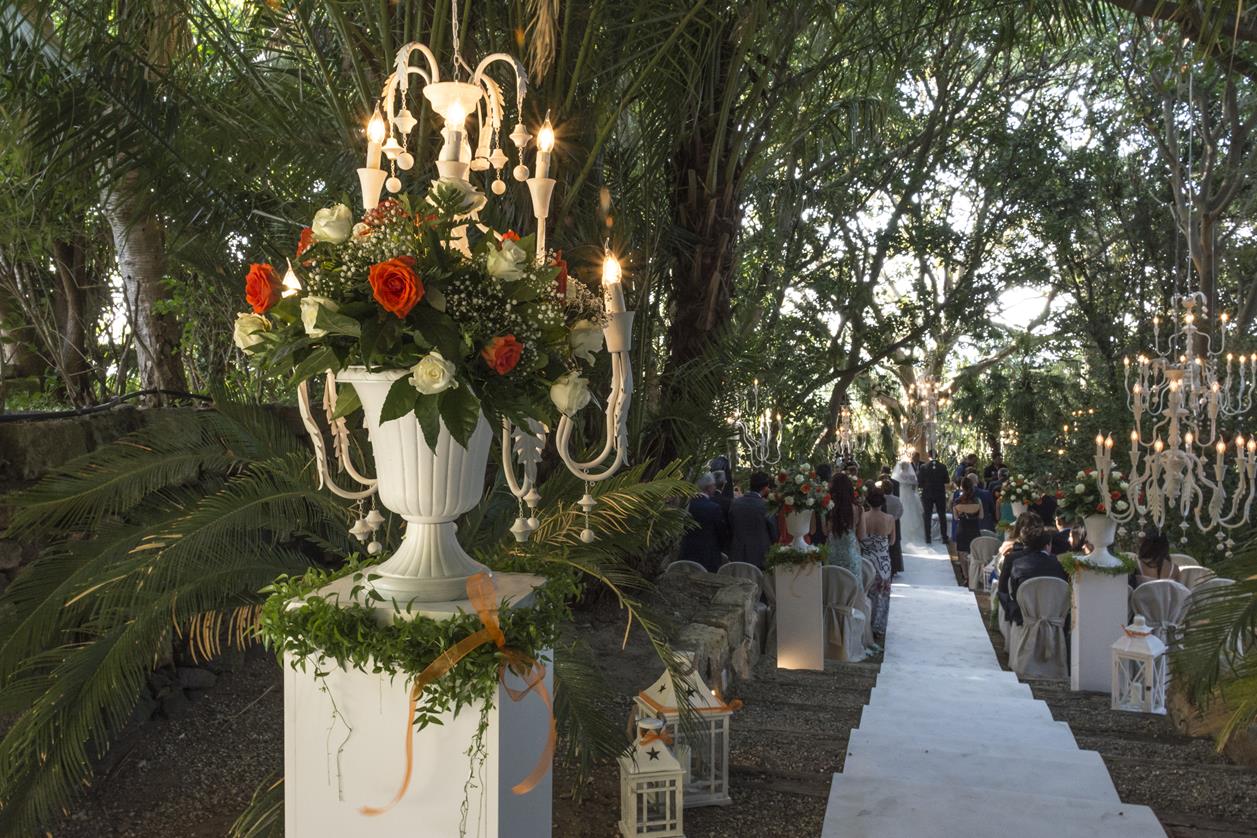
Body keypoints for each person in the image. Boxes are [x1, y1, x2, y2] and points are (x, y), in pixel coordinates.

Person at [997, 521, 1069, 626]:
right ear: (1048, 545)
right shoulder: (1060, 565)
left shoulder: (1016, 564)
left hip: (1025, 619)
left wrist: (1015, 614)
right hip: (1054, 618)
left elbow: (1006, 591)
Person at [860, 488, 897, 638]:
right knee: (883, 595)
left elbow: (860, 537)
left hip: (867, 561)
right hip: (883, 562)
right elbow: (893, 541)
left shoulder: (863, 517)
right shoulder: (889, 519)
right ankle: (879, 627)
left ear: (868, 501)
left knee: (867, 592)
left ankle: (865, 624)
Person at [679, 473, 729, 571]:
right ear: (709, 487)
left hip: (687, 552)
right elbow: (721, 532)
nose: (715, 487)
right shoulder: (714, 508)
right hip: (708, 555)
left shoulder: (687, 504)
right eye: (714, 485)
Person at [728, 471, 775, 568]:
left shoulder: (735, 503)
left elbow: (731, 526)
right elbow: (773, 531)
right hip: (760, 556)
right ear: (765, 487)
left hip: (738, 554)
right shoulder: (765, 506)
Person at [826, 474, 864, 578]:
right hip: (851, 554)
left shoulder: (829, 508)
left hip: (831, 555)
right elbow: (861, 535)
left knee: (833, 590)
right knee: (851, 589)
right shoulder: (858, 509)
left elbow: (826, 531)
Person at [952, 481, 983, 585]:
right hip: (974, 529)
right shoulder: (977, 501)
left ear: (962, 487)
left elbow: (956, 518)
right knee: (973, 554)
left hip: (962, 529)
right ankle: (973, 576)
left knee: (962, 554)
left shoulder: (957, 501)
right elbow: (981, 516)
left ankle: (966, 577)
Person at [918, 449, 951, 545]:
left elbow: (920, 483)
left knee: (927, 516)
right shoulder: (943, 466)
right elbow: (947, 480)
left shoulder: (923, 467)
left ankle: (928, 537)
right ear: (937, 455)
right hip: (940, 494)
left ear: (928, 455)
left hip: (927, 494)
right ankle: (944, 537)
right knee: (942, 515)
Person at [877, 476, 904, 574]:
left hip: (882, 523)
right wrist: (894, 518)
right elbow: (901, 511)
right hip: (894, 523)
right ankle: (895, 567)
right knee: (895, 544)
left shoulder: (880, 499)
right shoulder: (896, 499)